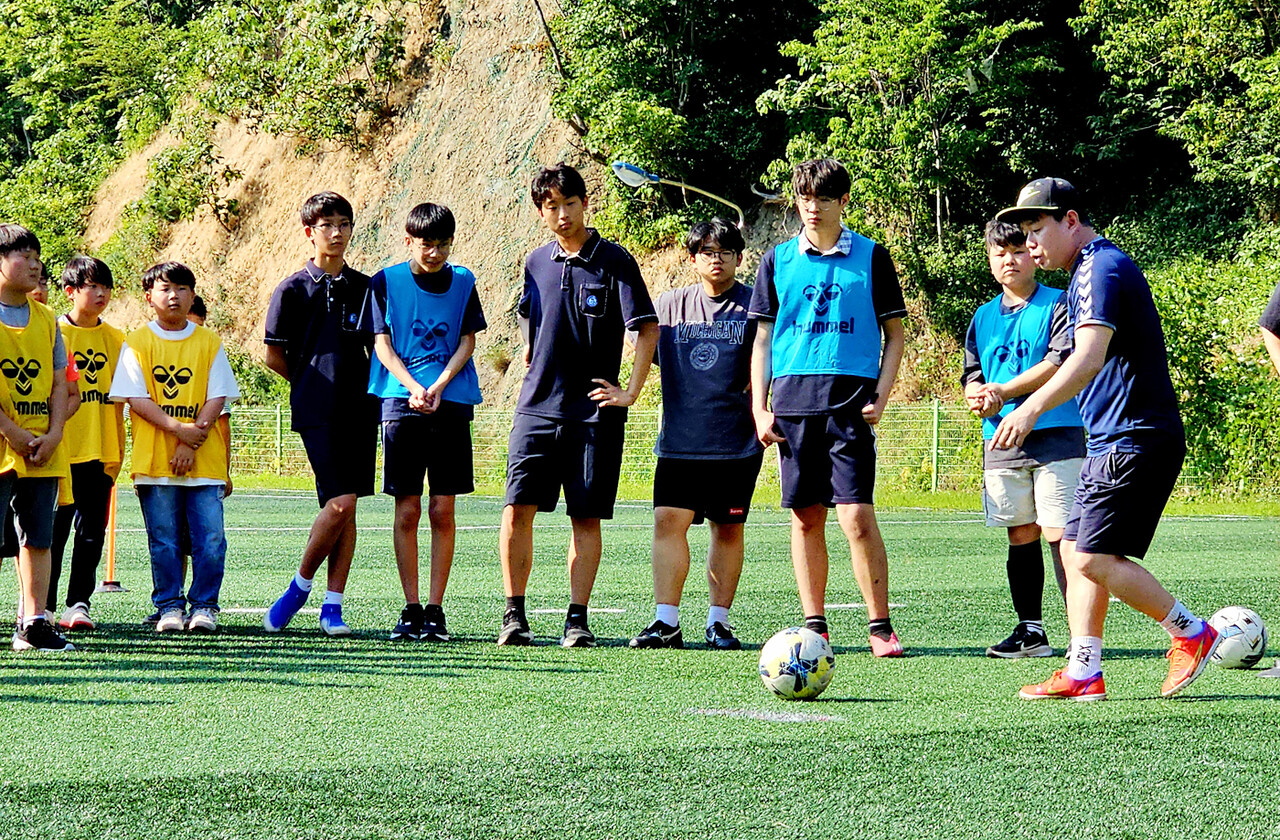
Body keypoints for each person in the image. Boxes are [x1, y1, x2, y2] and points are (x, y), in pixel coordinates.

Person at [994, 177, 1218, 700]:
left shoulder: (1101, 267)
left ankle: (1192, 632)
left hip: (1133, 437)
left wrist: (1027, 408)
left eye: (1037, 228)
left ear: (1070, 220)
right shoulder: (1083, 272)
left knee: (1092, 558)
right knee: (1075, 550)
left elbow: (1088, 357)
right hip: (1113, 439)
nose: (1029, 242)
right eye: (1023, 230)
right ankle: (1084, 669)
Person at [748, 158, 907, 656]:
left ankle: (879, 625)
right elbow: (763, 339)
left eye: (823, 198)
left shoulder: (873, 256)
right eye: (804, 198)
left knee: (856, 515)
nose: (812, 208)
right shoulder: (777, 260)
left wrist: (882, 392)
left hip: (851, 402)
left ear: (842, 201)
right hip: (793, 402)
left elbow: (895, 335)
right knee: (805, 517)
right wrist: (760, 406)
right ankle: (814, 623)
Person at [498, 162, 659, 647]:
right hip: (536, 407)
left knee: (584, 517)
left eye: (570, 203)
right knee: (516, 509)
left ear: (585, 203)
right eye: (552, 206)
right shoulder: (535, 262)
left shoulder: (615, 260)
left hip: (594, 412)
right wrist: (532, 346)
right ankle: (514, 616)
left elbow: (647, 327)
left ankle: (577, 618)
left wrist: (629, 392)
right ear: (540, 211)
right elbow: (529, 314)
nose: (562, 214)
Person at [628, 219, 762, 651]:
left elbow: (770, 361)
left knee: (727, 528)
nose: (716, 259)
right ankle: (666, 621)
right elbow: (643, 348)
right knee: (668, 521)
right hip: (680, 441)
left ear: (740, 259)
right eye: (707, 251)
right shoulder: (668, 306)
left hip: (735, 442)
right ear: (692, 259)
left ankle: (719, 622)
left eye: (725, 251)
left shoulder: (755, 307)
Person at [962, 220, 1086, 658]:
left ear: (1032, 255)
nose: (1009, 260)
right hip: (1001, 441)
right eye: (1000, 253)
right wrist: (978, 397)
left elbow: (1059, 362)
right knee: (1020, 534)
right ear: (990, 261)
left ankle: (1081, 639)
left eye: (1017, 250)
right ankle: (1030, 632)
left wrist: (1004, 392)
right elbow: (973, 375)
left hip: (1056, 434)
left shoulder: (1058, 303)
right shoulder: (981, 317)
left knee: (1061, 535)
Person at [262, 192, 378, 637]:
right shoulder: (291, 289)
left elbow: (378, 346)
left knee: (349, 509)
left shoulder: (365, 287)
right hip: (315, 410)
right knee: (339, 502)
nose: (337, 232)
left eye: (344, 224)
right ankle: (299, 588)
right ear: (310, 232)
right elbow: (273, 355)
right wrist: (311, 383)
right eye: (327, 225)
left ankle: (334, 607)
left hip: (361, 409)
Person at [367, 202, 485, 641]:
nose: (434, 252)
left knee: (443, 508)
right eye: (425, 244)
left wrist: (438, 384)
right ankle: (411, 606)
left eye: (442, 244)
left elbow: (467, 340)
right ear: (408, 241)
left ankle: (436, 609)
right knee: (408, 507)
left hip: (450, 401)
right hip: (401, 402)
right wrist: (414, 387)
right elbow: (381, 344)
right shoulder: (386, 281)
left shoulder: (464, 281)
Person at [109, 262, 239, 633]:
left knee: (211, 540)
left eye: (182, 289)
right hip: (156, 462)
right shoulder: (138, 342)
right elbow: (137, 399)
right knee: (163, 541)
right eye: (165, 289)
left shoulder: (209, 342)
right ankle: (168, 605)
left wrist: (192, 437)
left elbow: (218, 398)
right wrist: (181, 431)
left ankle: (204, 606)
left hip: (205, 460)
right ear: (149, 297)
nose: (174, 296)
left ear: (193, 296)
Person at [0, 224, 73, 652]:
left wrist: (54, 433)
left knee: (39, 538)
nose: (34, 265)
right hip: (7, 443)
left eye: (37, 257)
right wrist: (12, 432)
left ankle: (33, 623)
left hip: (43, 448)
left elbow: (60, 384)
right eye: (23, 256)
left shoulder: (47, 319)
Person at [47, 257, 127, 631]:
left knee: (91, 532)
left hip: (102, 450)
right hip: (59, 451)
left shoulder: (117, 340)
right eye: (92, 286)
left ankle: (78, 603)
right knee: (53, 532)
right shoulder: (53, 333)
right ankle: (42, 605)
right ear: (70, 292)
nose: (101, 294)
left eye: (106, 287)